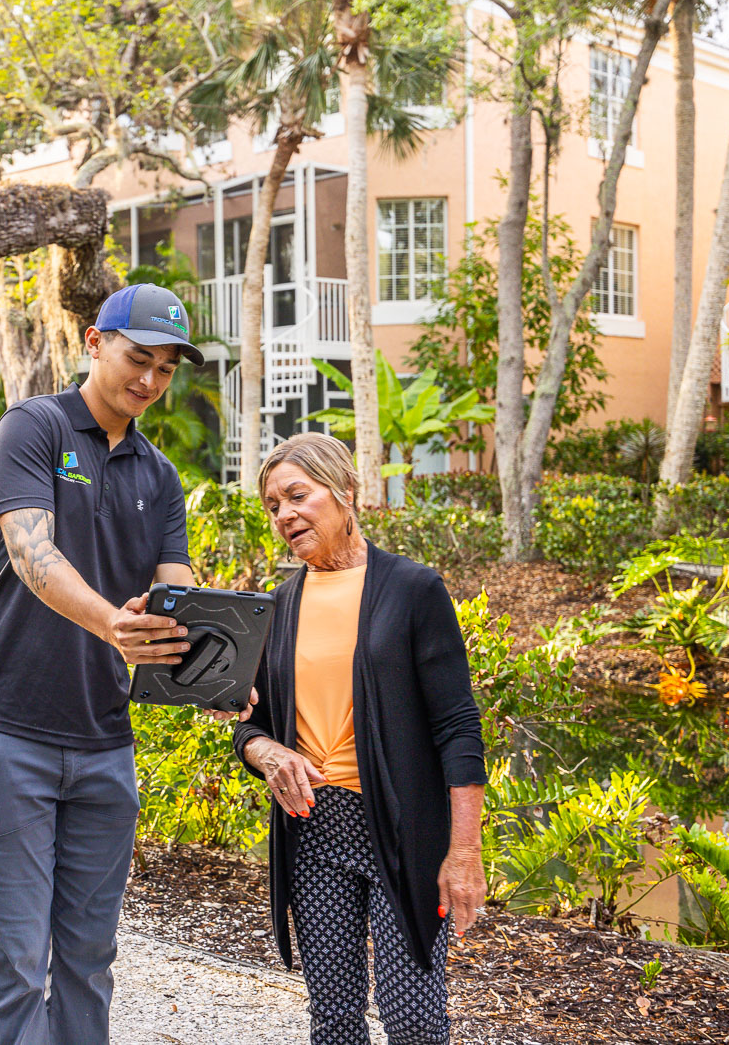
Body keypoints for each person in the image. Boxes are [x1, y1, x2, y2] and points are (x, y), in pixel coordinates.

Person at [0, 283, 214, 1045]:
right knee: (15, 960)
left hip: (104, 744)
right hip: (5, 734)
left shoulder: (159, 476)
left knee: (90, 961)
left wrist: (215, 671)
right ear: (94, 342)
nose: (151, 381)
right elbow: (35, 555)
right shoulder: (31, 429)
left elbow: (174, 598)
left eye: (167, 369)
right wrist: (111, 623)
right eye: (139, 359)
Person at [233, 432, 487, 1045]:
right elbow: (249, 724)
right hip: (314, 829)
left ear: (346, 492)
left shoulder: (412, 590)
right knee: (335, 1019)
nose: (285, 514)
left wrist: (464, 851)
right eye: (273, 506)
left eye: (298, 494)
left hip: (401, 827)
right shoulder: (280, 605)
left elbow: (458, 726)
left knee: (414, 1019)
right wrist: (264, 751)